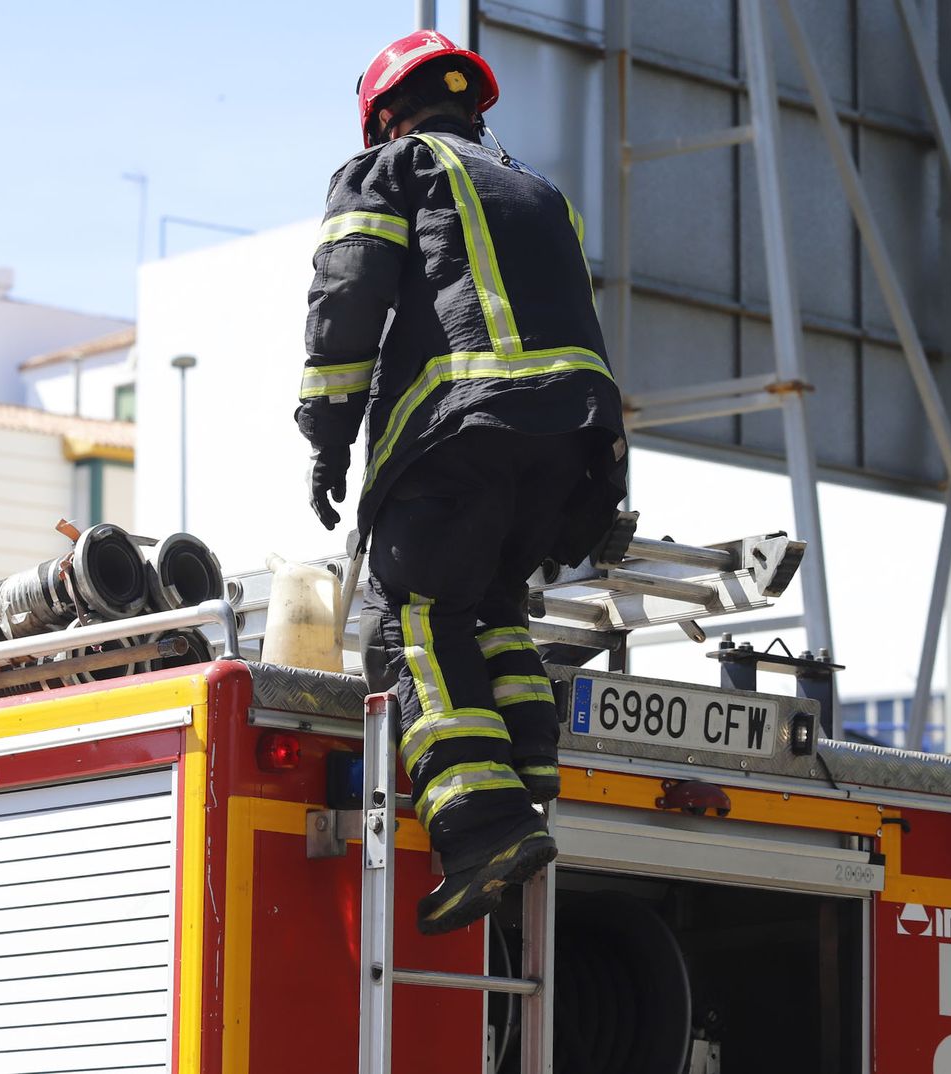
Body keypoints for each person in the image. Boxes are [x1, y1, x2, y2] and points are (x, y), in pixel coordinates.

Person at [295, 30, 628, 935]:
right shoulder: (541, 191)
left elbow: (346, 303)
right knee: (496, 615)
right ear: (473, 104)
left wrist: (326, 439)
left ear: (385, 115)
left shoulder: (391, 167)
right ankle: (527, 802)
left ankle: (481, 831)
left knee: (421, 621)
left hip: (461, 435)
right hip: (575, 446)